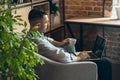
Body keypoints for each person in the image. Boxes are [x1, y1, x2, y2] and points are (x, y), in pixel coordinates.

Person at [28, 8, 112, 80]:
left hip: (67, 59)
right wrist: (79, 57)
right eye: (46, 22)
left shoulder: (32, 35)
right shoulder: (38, 42)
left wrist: (60, 43)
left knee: (98, 58)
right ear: (38, 25)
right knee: (105, 63)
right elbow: (62, 56)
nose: (48, 25)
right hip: (66, 65)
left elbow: (46, 39)